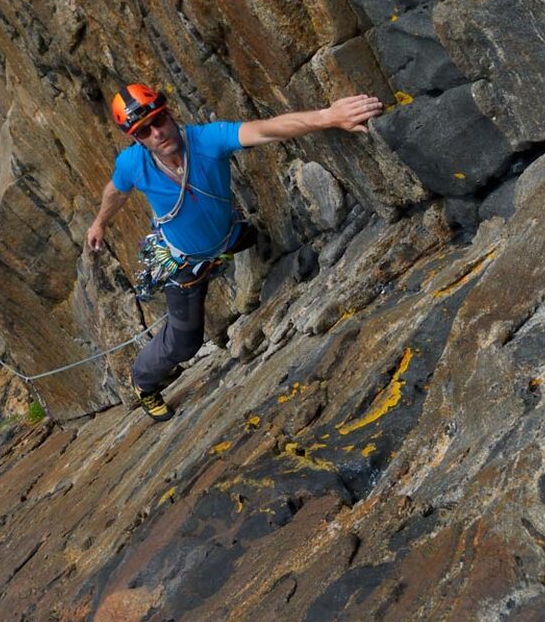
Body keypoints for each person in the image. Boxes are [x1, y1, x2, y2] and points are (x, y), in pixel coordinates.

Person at [85, 83, 382, 420]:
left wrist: (328, 117)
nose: (157, 133)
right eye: (144, 132)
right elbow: (116, 191)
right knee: (185, 343)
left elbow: (267, 130)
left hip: (227, 236)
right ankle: (144, 382)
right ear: (135, 139)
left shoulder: (208, 141)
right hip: (183, 263)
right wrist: (100, 224)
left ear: (169, 114)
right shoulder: (132, 164)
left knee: (259, 236)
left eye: (158, 121)